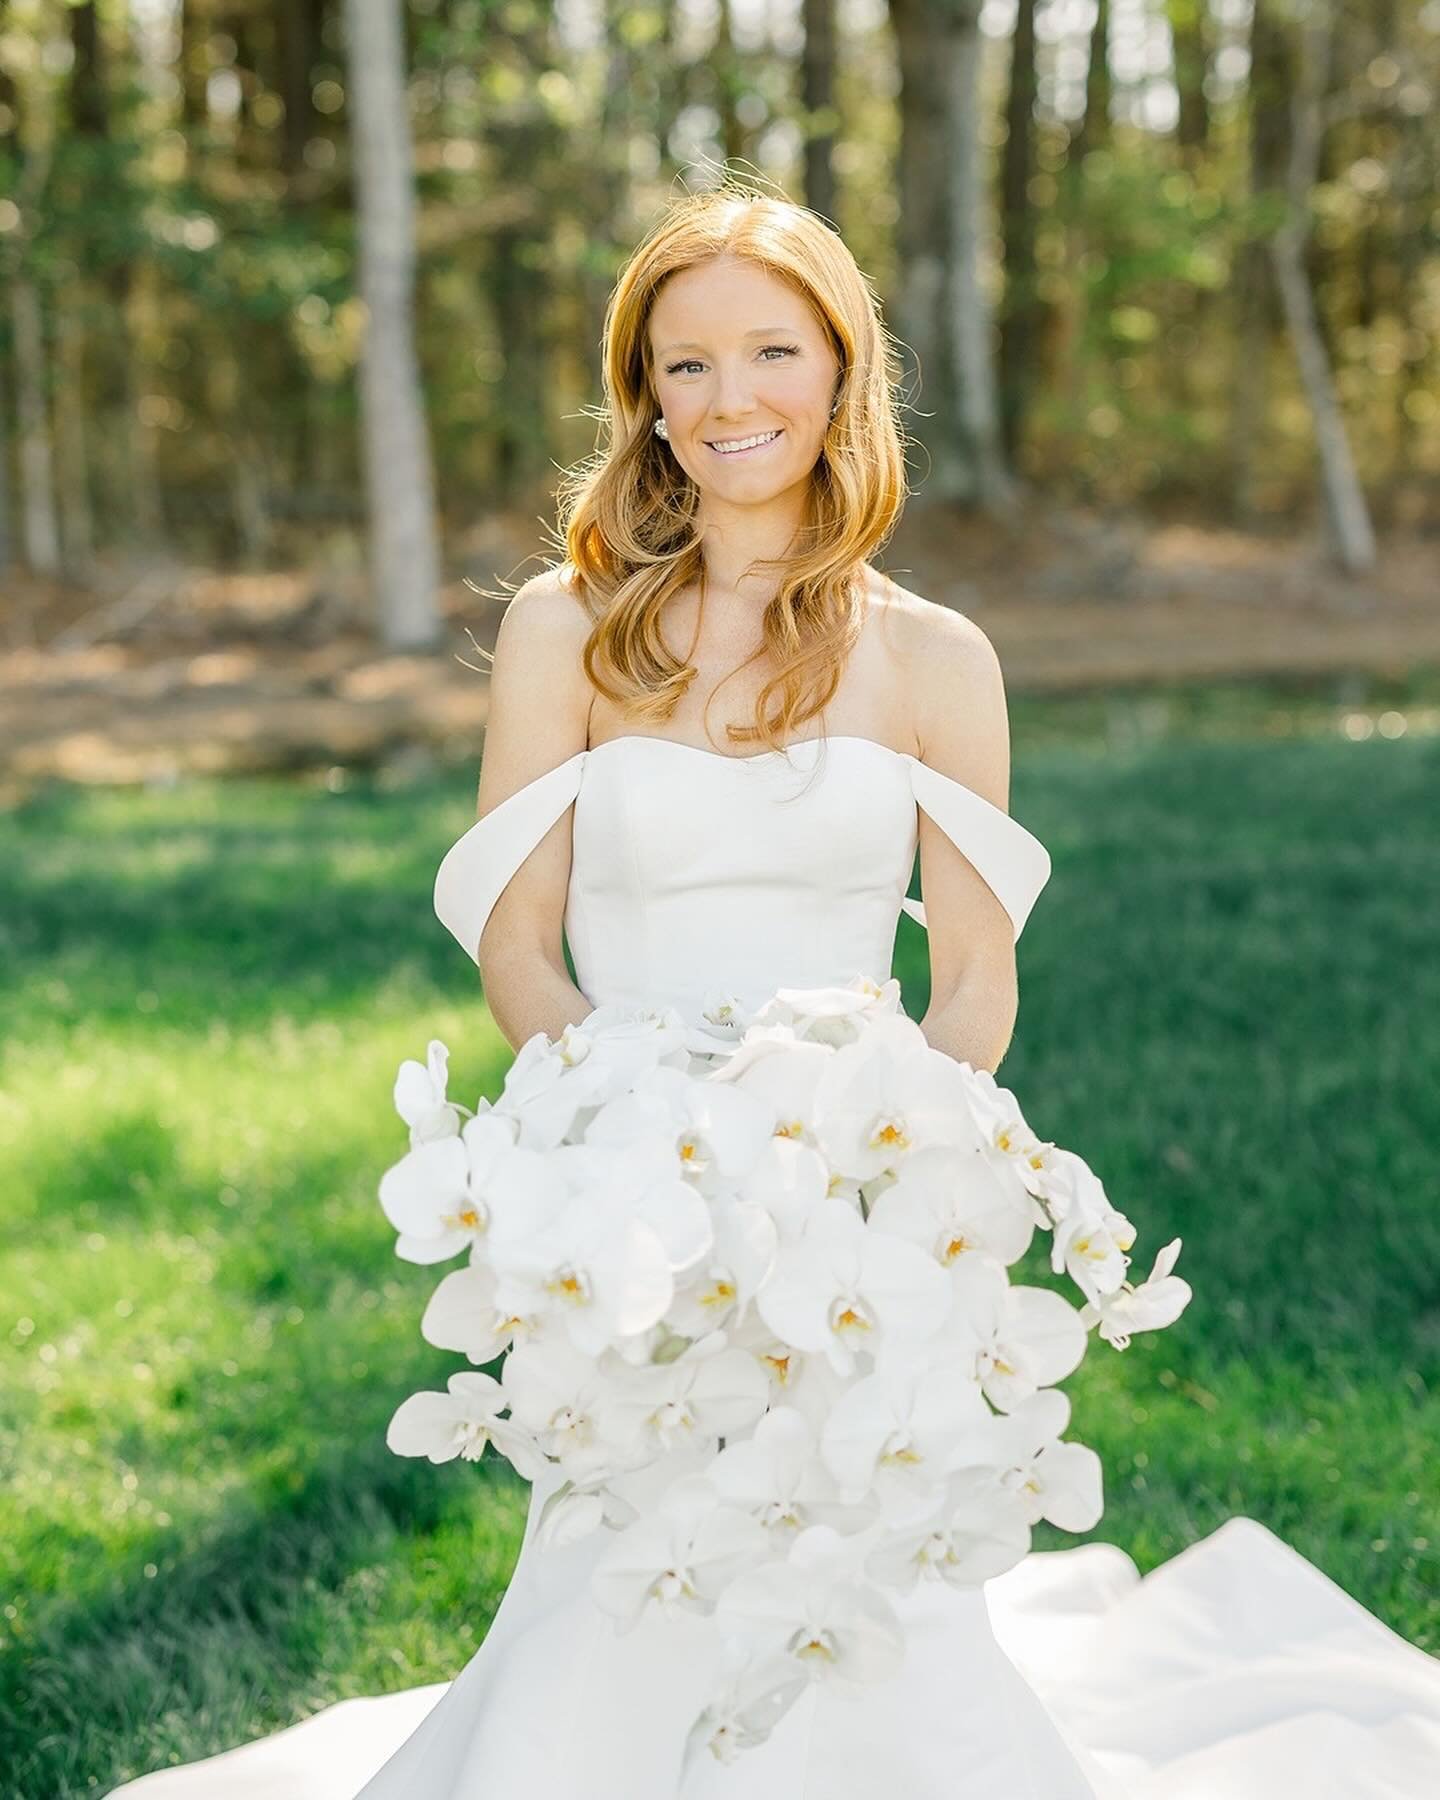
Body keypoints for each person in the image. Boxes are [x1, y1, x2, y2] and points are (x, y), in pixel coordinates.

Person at [108, 184, 1440, 1800]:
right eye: (687, 366)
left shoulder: (939, 659)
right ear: (645, 400)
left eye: (770, 352)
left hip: (852, 1194)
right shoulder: (568, 633)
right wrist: (624, 1151)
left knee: (850, 1579)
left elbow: (972, 981)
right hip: (629, 1197)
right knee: (631, 1563)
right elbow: (519, 943)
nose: (731, 398)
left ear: (841, 373)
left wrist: (884, 1175)